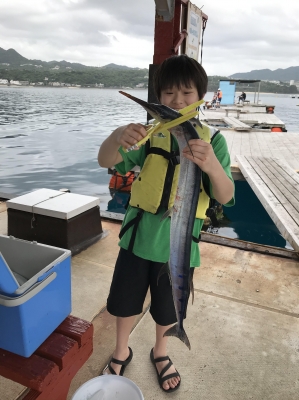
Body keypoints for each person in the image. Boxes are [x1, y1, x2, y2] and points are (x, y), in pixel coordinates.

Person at [98, 55, 235, 392]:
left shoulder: (213, 141)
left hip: (179, 248)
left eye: (186, 93)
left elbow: (226, 195)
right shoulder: (146, 136)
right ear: (158, 97)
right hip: (136, 241)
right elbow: (105, 160)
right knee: (124, 303)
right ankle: (121, 350)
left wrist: (213, 167)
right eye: (169, 93)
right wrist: (118, 135)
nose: (177, 101)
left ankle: (161, 352)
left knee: (167, 308)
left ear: (201, 96)